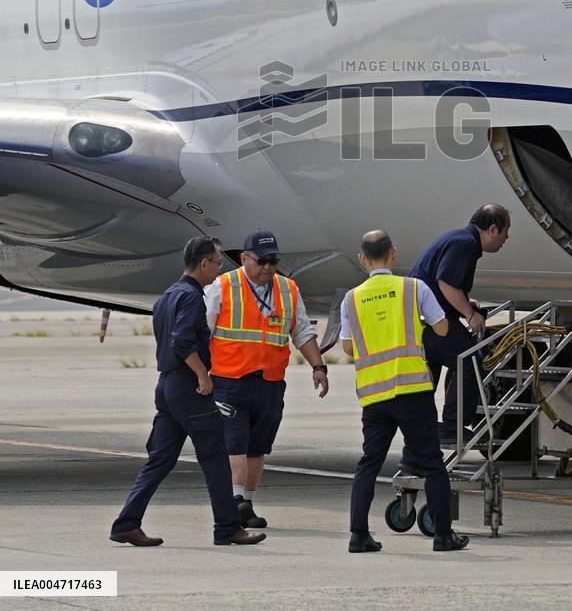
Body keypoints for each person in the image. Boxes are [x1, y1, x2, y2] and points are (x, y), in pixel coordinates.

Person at [110, 236, 265, 547]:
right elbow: (181, 342)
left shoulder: (166, 297)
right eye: (218, 262)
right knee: (216, 457)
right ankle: (228, 528)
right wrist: (202, 375)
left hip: (166, 386)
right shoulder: (193, 297)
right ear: (204, 263)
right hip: (187, 385)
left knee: (161, 459)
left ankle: (126, 523)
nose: (220, 269)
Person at [341, 229, 469, 553]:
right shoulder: (413, 288)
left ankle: (358, 535)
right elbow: (441, 328)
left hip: (375, 396)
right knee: (431, 463)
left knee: (368, 463)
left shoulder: (351, 299)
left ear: (362, 259)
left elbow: (346, 347)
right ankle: (443, 535)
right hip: (412, 391)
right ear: (393, 254)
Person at [205, 229, 328, 528]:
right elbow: (201, 331)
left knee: (259, 446)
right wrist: (197, 374)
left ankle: (246, 502)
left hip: (270, 381)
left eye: (274, 260)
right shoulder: (222, 287)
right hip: (229, 379)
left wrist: (318, 366)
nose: (268, 267)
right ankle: (235, 502)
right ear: (244, 258)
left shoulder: (288, 289)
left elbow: (302, 332)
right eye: (262, 261)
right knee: (235, 443)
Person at [403, 204, 510, 461]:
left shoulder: (457, 238)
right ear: (492, 229)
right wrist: (470, 315)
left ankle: (422, 435)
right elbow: (446, 282)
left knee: (431, 374)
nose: (507, 238)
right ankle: (451, 426)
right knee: (471, 360)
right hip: (432, 321)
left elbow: (444, 284)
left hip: (421, 320)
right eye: (506, 231)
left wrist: (465, 304)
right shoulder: (465, 244)